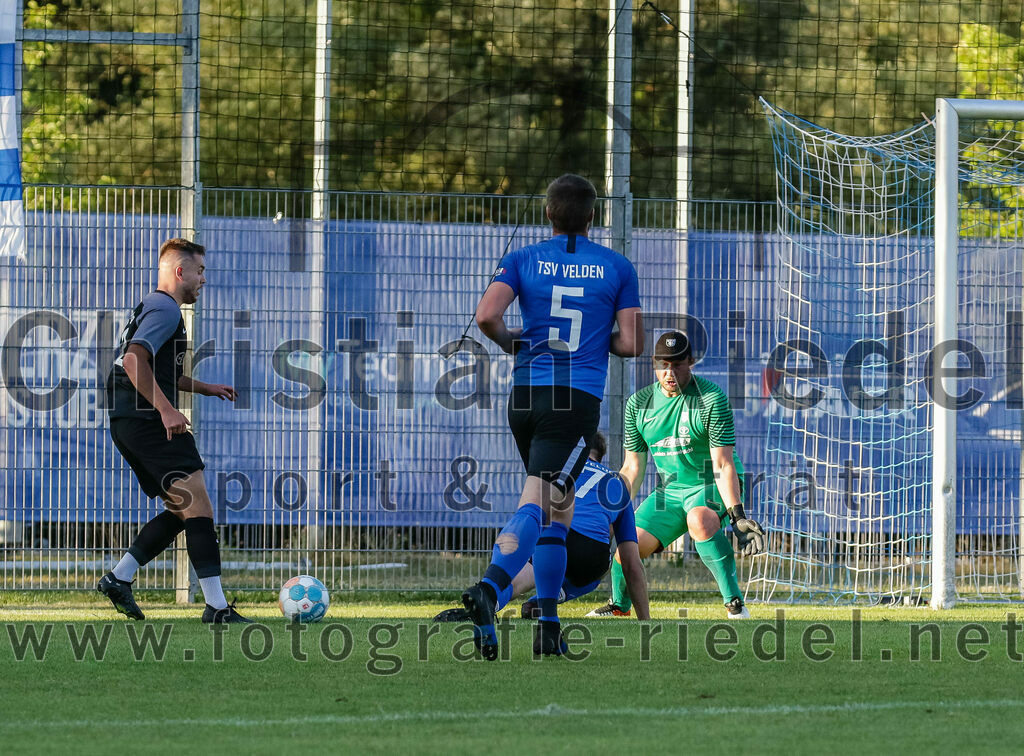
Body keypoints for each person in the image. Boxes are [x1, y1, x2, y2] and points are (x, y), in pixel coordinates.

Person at [462, 173, 644, 658]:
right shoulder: (617, 266)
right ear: (593, 216)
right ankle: (490, 587)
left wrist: (513, 343)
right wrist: (593, 338)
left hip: (525, 398)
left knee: (557, 513)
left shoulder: (521, 259)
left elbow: (485, 317)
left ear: (547, 213)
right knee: (540, 504)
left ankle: (547, 627)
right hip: (574, 401)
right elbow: (631, 344)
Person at [98, 237, 250, 624]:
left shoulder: (156, 307)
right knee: (197, 506)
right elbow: (134, 362)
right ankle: (216, 608)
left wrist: (204, 387)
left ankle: (120, 577)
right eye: (200, 271)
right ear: (180, 271)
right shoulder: (166, 308)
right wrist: (166, 411)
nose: (203, 279)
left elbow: (158, 372)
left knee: (182, 508)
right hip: (148, 421)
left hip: (130, 420)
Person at [587, 330, 766, 620]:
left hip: (711, 483)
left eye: (677, 364)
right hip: (669, 493)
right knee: (626, 543)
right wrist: (610, 514)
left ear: (691, 362)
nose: (669, 372)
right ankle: (619, 606)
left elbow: (723, 464)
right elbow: (632, 467)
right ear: (654, 364)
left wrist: (737, 515)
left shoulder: (711, 398)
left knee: (700, 520)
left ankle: (735, 604)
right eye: (663, 364)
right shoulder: (638, 405)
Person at [434, 433, 650, 622]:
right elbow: (631, 564)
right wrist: (645, 622)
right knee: (599, 568)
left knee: (519, 578)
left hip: (552, 532)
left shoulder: (557, 466)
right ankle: (554, 596)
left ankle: (489, 603)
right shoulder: (618, 482)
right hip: (589, 552)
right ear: (600, 456)